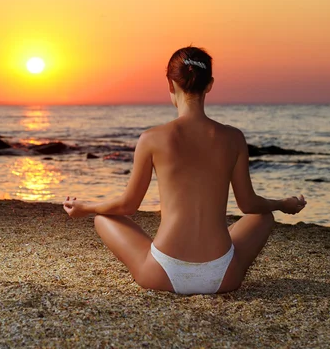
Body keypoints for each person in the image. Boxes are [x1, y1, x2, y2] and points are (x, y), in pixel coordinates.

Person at [63, 46, 307, 294]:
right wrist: (282, 203)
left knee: (103, 217)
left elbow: (128, 206)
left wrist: (86, 208)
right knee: (264, 216)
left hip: (164, 273)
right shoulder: (233, 137)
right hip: (223, 275)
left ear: (170, 84)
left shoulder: (152, 138)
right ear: (209, 85)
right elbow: (249, 205)